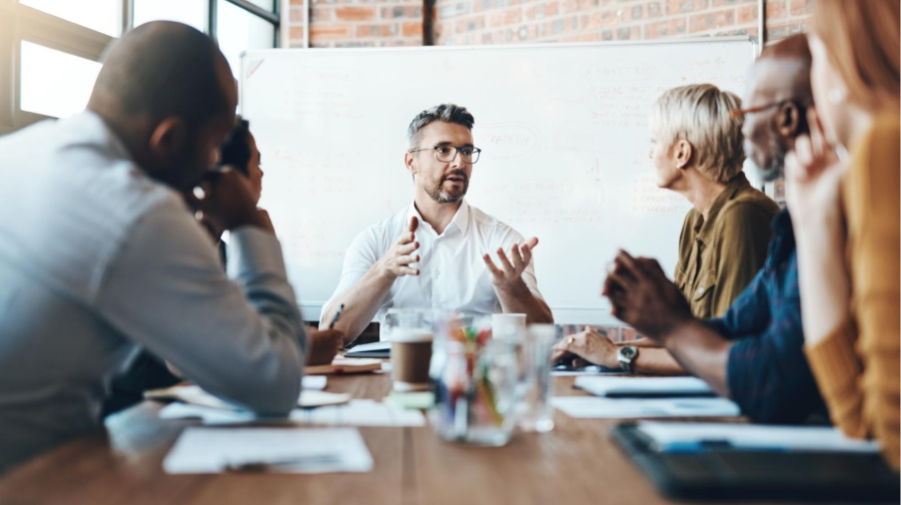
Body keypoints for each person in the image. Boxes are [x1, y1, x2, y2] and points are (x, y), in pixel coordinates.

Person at [0, 22, 307, 473]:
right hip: (32, 482)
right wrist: (247, 226)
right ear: (170, 140)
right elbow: (273, 383)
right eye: (214, 145)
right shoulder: (135, 211)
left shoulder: (19, 152)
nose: (214, 163)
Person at [589, 34, 827, 424]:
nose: (742, 130)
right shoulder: (788, 224)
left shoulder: (747, 215)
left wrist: (622, 353)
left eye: (749, 111)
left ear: (682, 152)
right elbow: (723, 328)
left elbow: (744, 359)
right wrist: (623, 341)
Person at [102, 117, 342, 417]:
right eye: (256, 163)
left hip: (191, 409)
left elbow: (249, 342)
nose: (262, 174)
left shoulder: (220, 251)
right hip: (138, 414)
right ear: (230, 176)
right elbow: (250, 366)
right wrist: (255, 232)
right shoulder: (166, 244)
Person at [553, 84, 779, 374]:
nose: (650, 153)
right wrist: (597, 350)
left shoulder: (742, 215)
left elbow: (722, 351)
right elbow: (681, 335)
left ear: (682, 152)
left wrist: (616, 355)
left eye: (655, 141)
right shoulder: (695, 220)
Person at [320, 104, 553, 341]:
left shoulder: (502, 242)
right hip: (398, 365)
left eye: (466, 151)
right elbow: (332, 330)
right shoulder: (376, 241)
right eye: (443, 150)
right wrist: (383, 271)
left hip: (475, 364)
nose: (459, 163)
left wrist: (511, 288)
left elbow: (542, 332)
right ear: (411, 161)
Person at [786, 0, 901, 471]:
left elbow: (886, 429)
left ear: (842, 63)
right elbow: (862, 420)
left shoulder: (887, 146)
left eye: (816, 56)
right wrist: (813, 221)